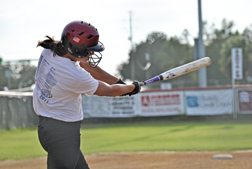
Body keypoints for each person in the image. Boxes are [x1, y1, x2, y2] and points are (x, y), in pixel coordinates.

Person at [33, 20, 141, 169]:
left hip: (49, 129)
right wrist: (132, 88)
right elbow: (108, 91)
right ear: (74, 48)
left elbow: (89, 67)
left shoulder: (50, 51)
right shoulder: (74, 75)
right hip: (63, 134)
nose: (91, 53)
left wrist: (120, 82)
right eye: (88, 50)